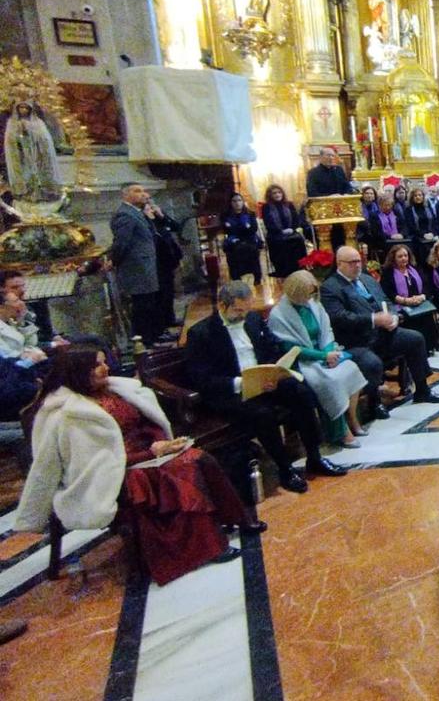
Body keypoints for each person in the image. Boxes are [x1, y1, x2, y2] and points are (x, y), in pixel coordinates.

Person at [16, 345, 264, 584]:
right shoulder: (68, 415)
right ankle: (204, 548)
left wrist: (160, 442)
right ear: (79, 372)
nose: (106, 368)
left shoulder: (115, 390)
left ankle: (232, 519)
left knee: (200, 459)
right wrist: (149, 454)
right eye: (97, 365)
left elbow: (146, 422)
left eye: (104, 362)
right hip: (112, 473)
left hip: (148, 453)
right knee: (178, 473)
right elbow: (93, 463)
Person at [188, 282, 347, 493]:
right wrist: (240, 383)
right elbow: (203, 378)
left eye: (246, 309)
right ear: (221, 305)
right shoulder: (201, 333)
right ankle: (284, 468)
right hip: (233, 392)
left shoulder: (253, 319)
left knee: (301, 392)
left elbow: (272, 347)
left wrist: (275, 371)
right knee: (262, 414)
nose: (243, 315)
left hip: (265, 381)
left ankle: (314, 456)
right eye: (237, 310)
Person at [322, 248, 439, 412]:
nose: (357, 265)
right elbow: (340, 317)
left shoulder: (368, 279)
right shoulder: (330, 287)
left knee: (415, 339)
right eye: (352, 262)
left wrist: (393, 317)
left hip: (383, 334)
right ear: (339, 264)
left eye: (359, 261)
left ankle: (422, 390)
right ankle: (374, 403)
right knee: (372, 363)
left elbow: (386, 302)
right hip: (357, 341)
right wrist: (374, 319)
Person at [269, 271, 368, 448]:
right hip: (303, 361)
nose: (310, 297)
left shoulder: (313, 304)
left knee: (351, 369)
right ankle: (340, 432)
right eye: (307, 293)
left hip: (325, 353)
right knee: (330, 381)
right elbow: (291, 348)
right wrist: (323, 356)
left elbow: (326, 331)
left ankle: (352, 419)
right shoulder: (279, 314)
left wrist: (330, 353)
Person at [110, 183, 164, 344]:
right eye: (137, 191)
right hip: (137, 270)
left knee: (148, 305)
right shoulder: (125, 215)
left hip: (144, 267)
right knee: (142, 308)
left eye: (143, 190)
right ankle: (144, 342)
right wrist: (114, 261)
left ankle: (152, 337)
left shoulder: (135, 212)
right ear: (125, 195)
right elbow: (121, 242)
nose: (143, 194)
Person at [379, 243, 438, 352]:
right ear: (393, 258)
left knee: (426, 317)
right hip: (402, 306)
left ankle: (429, 348)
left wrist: (422, 296)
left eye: (405, 255)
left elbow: (427, 285)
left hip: (420, 303)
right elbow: (387, 292)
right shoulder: (388, 273)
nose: (403, 258)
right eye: (400, 256)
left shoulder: (415, 268)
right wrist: (405, 300)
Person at [146, 198, 184, 337]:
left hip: (168, 259)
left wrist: (161, 215)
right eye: (147, 202)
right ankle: (162, 328)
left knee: (169, 291)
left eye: (151, 202)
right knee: (161, 295)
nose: (151, 205)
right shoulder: (144, 219)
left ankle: (170, 319)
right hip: (156, 261)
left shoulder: (159, 215)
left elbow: (176, 226)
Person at [261, 184, 309, 277]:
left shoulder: (289, 204)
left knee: (298, 239)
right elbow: (268, 223)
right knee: (280, 242)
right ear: (270, 195)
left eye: (279, 192)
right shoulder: (266, 207)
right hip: (275, 233)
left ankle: (299, 267)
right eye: (274, 193)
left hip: (290, 231)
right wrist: (280, 231)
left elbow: (296, 219)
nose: (277, 195)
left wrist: (292, 229)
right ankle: (283, 270)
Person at [221, 193, 263, 284]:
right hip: (234, 239)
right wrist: (242, 228)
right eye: (234, 201)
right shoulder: (225, 216)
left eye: (239, 200)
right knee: (233, 251)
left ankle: (257, 277)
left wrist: (237, 228)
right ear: (230, 203)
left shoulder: (250, 214)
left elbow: (253, 229)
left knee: (251, 249)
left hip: (249, 238)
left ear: (243, 202)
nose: (237, 203)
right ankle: (236, 278)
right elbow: (226, 230)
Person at [402, 186, 438, 264]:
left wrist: (432, 233)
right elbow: (411, 226)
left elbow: (435, 222)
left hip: (431, 235)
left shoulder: (428, 208)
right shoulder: (408, 210)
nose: (418, 197)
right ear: (412, 198)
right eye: (415, 196)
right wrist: (423, 235)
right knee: (422, 247)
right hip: (416, 236)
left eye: (420, 195)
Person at [365, 193, 407, 260]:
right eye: (385, 205)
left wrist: (401, 234)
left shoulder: (396, 213)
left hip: (398, 240)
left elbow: (404, 226)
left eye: (389, 205)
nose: (388, 207)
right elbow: (375, 232)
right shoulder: (374, 216)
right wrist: (390, 236)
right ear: (380, 205)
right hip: (383, 241)